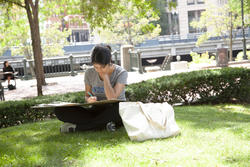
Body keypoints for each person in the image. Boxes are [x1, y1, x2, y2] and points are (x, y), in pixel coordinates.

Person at [54, 45, 128, 132]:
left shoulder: (121, 72)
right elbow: (87, 95)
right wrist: (89, 100)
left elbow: (112, 98)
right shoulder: (89, 72)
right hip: (97, 110)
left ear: (109, 61)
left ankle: (78, 128)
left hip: (114, 109)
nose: (99, 70)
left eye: (102, 67)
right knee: (60, 110)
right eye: (96, 67)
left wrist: (105, 76)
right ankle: (104, 124)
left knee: (117, 111)